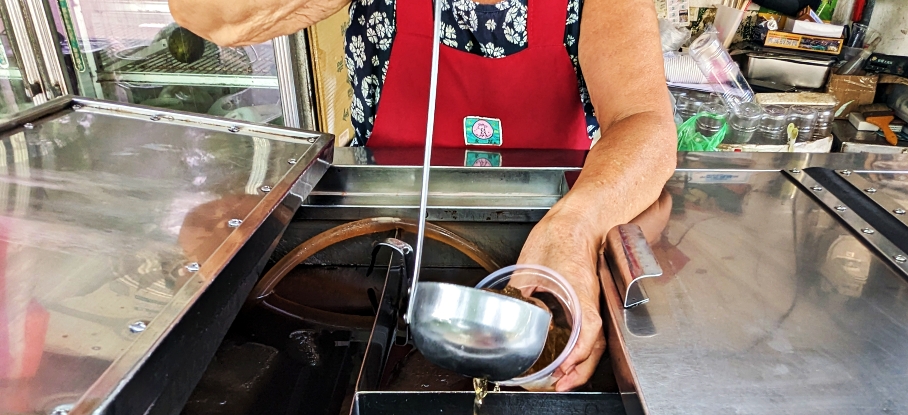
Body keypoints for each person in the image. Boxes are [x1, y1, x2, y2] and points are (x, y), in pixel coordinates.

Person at [169, 0, 676, 390]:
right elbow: (207, 13)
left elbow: (645, 125)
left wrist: (576, 230)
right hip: (385, 247)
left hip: (551, 250)